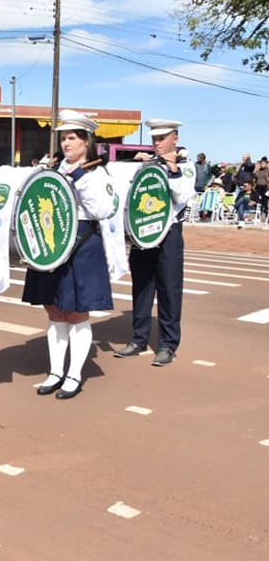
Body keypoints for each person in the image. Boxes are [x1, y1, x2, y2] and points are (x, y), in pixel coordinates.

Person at [22, 112, 115, 399]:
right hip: (52, 243)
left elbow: (102, 210)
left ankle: (74, 374)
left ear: (87, 142)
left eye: (72, 137)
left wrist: (80, 179)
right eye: (63, 137)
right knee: (54, 309)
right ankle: (55, 371)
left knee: (76, 312)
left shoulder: (97, 173)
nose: (66, 143)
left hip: (81, 244)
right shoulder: (53, 169)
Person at [116, 119, 195, 366]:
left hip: (169, 233)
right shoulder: (147, 164)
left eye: (161, 139)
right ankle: (138, 339)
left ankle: (168, 345)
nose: (156, 143)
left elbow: (182, 196)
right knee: (141, 287)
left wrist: (172, 169)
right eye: (154, 139)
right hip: (142, 233)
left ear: (175, 139)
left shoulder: (186, 166)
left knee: (169, 289)